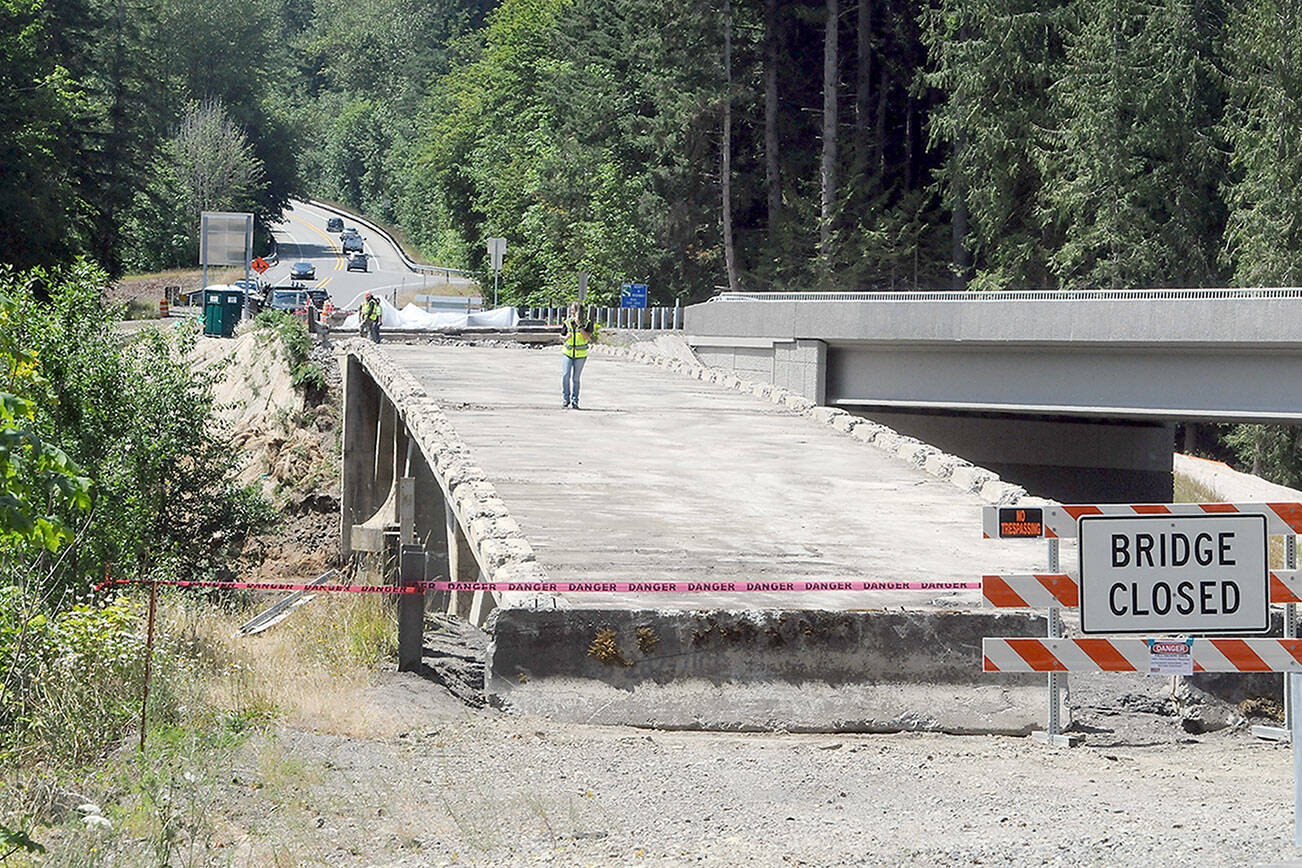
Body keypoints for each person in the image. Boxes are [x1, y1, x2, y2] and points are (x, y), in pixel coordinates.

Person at [561, 300, 592, 409]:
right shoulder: (567, 322)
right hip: (567, 352)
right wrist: (565, 338)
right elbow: (561, 336)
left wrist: (579, 326)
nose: (571, 313)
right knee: (565, 375)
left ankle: (575, 401)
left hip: (580, 354)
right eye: (571, 311)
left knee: (576, 378)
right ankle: (566, 398)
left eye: (573, 311)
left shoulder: (587, 323)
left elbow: (588, 337)